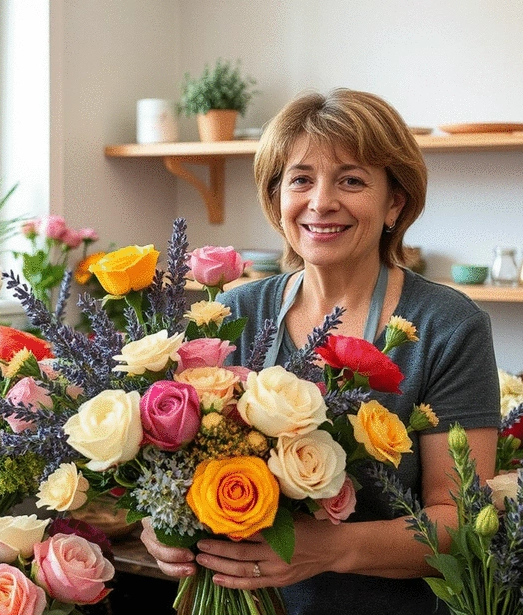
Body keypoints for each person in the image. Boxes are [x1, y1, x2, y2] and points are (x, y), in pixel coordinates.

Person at [141, 88, 500, 615]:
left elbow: (460, 520)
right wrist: (162, 525)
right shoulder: (233, 316)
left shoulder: (447, 326)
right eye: (301, 179)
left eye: (351, 180)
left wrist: (326, 549)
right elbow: (172, 467)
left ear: (394, 203)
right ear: (277, 198)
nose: (321, 201)